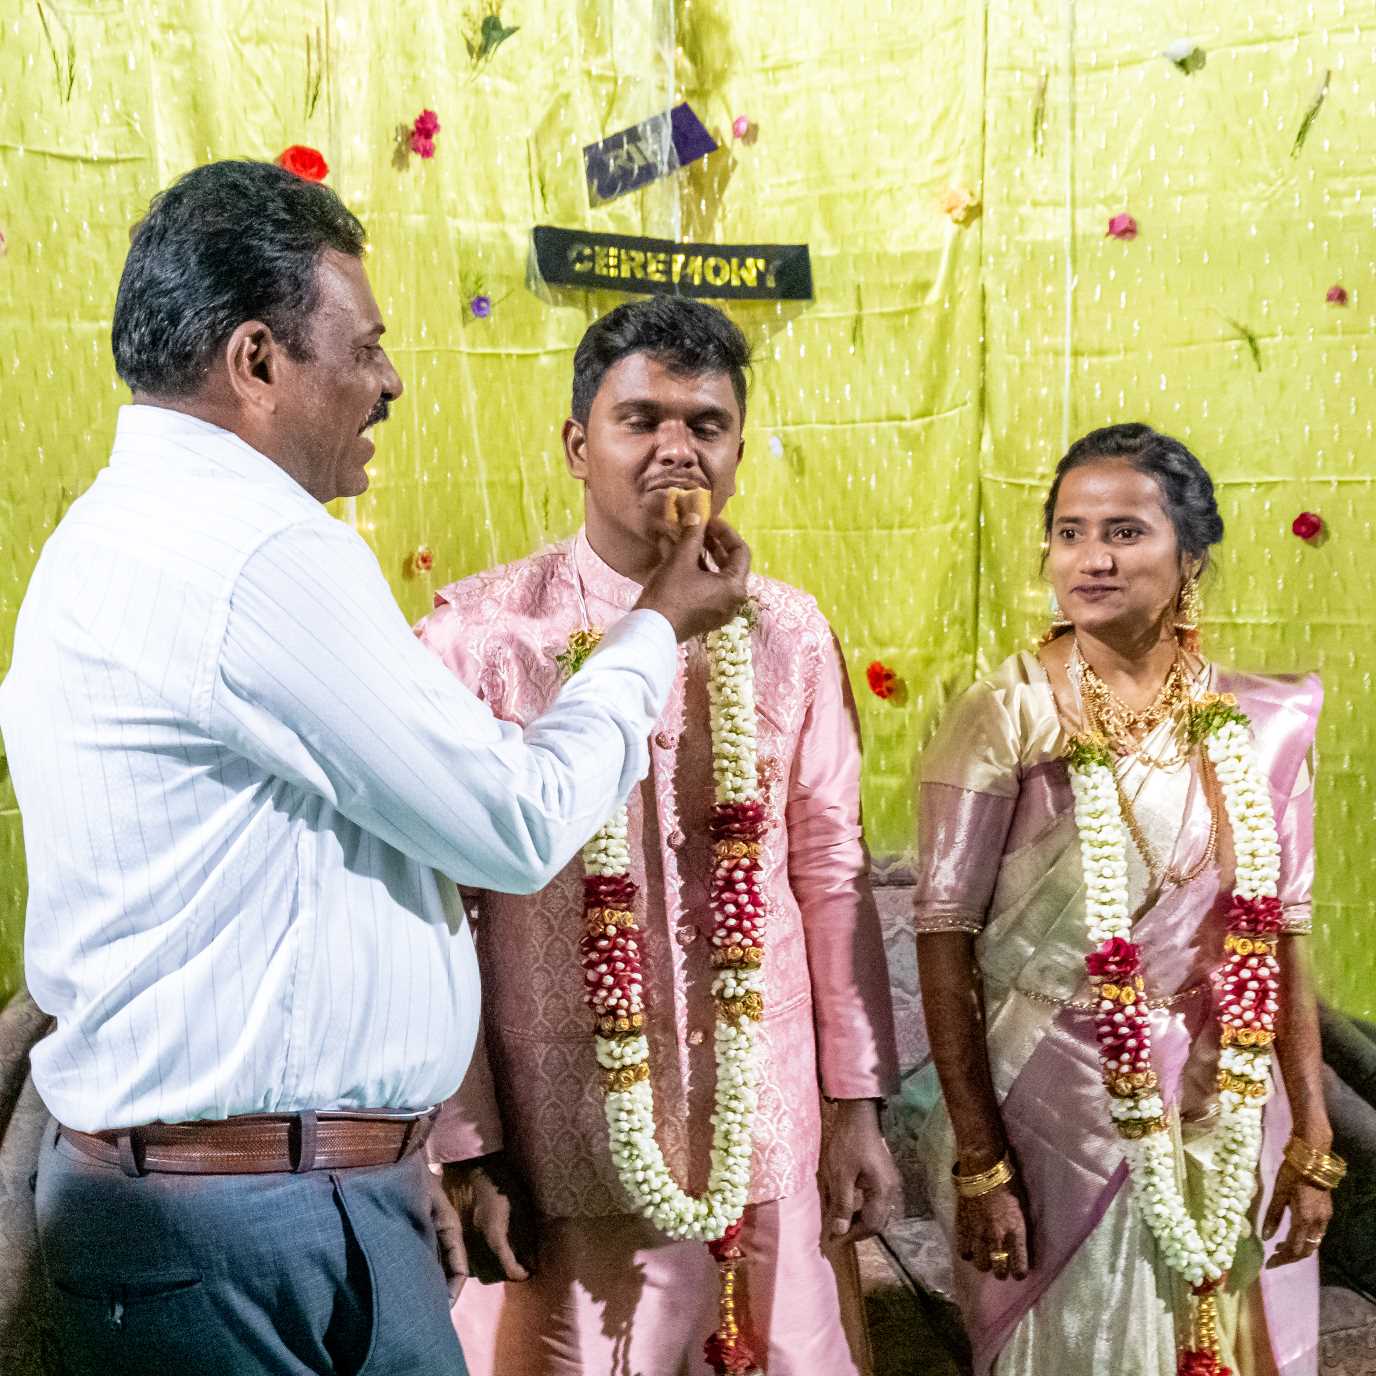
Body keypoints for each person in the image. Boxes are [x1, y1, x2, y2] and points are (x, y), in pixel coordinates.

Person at [0, 161, 749, 1376]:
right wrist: (656, 623)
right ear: (256, 361)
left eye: (704, 423)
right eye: (365, 347)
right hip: (244, 1223)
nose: (391, 381)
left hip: (290, 1195)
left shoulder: (113, 529)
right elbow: (514, 819)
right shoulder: (255, 549)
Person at [415, 296, 902, 1376]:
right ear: (576, 446)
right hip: (558, 1138)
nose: (677, 448)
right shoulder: (482, 636)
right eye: (640, 420)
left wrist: (856, 1105)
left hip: (765, 1122)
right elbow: (436, 905)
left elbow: (830, 872)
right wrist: (465, 1143)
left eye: (706, 424)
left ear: (737, 453)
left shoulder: (791, 632)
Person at [910, 423, 1338, 1376]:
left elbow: (1285, 937)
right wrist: (979, 1158)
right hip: (1050, 1105)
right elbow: (942, 937)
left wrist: (1313, 1135)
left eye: (1124, 532)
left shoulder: (1261, 726)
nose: (1090, 559)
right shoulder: (1008, 713)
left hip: (1228, 1106)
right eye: (1069, 533)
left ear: (1190, 557)